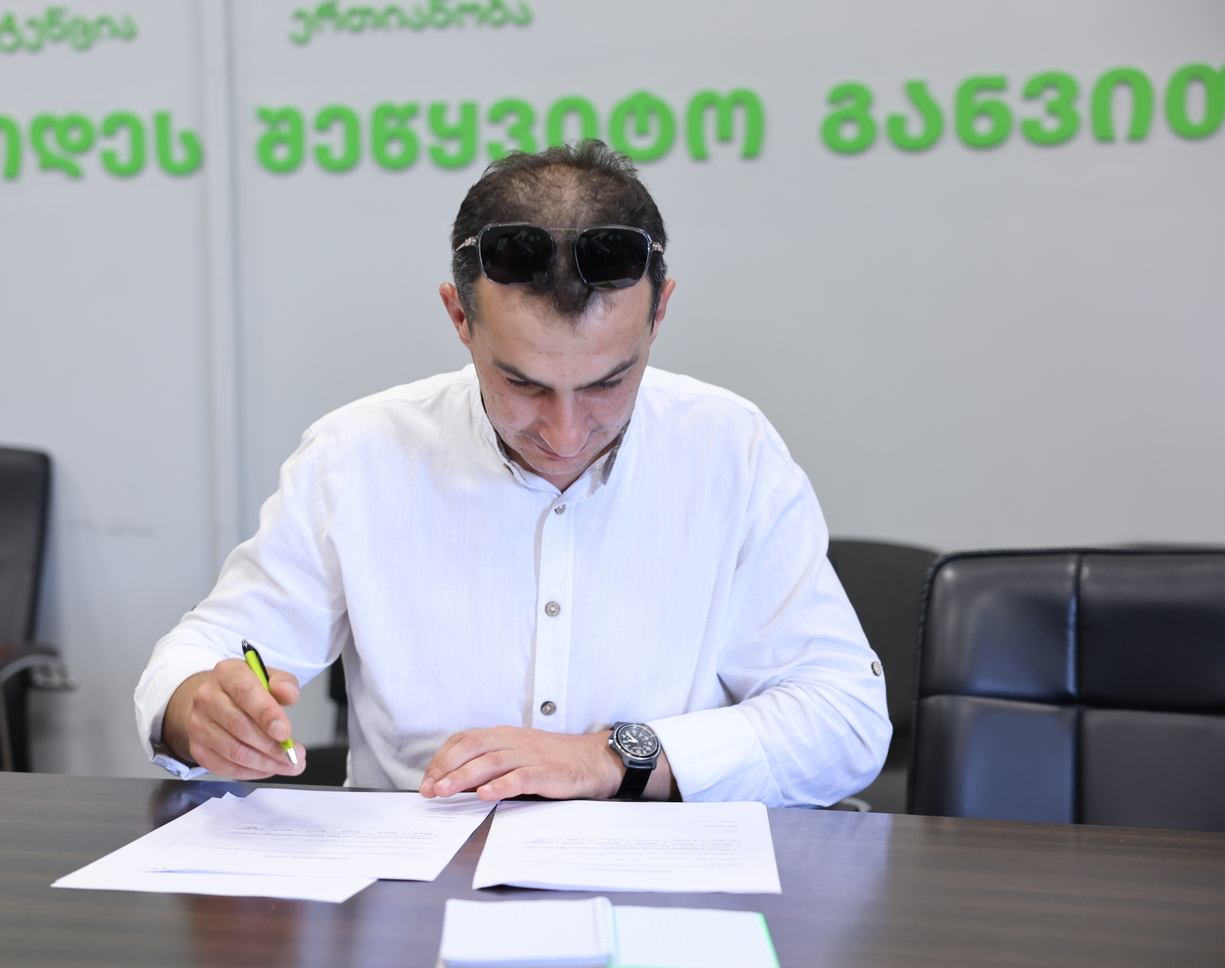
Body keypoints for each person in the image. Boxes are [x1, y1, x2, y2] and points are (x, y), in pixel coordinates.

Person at [135, 140, 889, 805]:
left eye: (607, 383)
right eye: (523, 384)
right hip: (413, 887)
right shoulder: (356, 455)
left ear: (659, 313)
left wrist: (612, 759)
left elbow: (847, 719)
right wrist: (198, 708)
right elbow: (204, 654)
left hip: (657, 887)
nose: (566, 432)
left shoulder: (731, 450)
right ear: (459, 319)